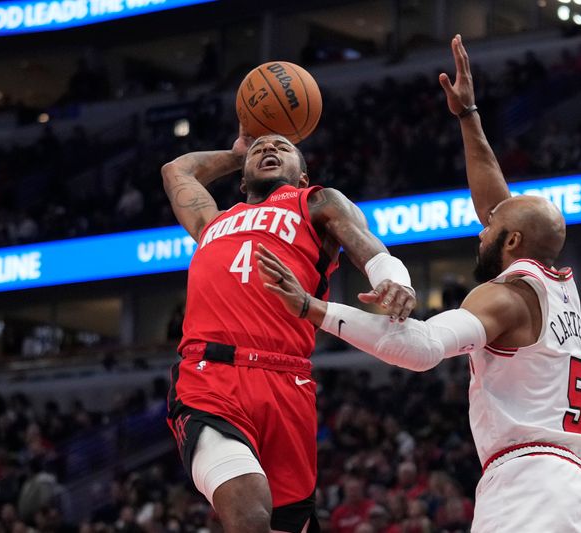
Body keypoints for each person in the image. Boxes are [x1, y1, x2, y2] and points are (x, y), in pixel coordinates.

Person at [255, 35, 581, 532]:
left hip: (530, 492)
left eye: (489, 228)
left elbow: (421, 348)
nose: (479, 226)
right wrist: (469, 116)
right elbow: (500, 209)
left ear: (510, 242)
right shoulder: (556, 280)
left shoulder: (506, 297)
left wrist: (315, 308)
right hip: (580, 494)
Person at [161, 119, 416, 531]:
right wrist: (237, 153)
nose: (269, 149)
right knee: (248, 509)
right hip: (211, 376)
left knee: (283, 523)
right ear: (242, 181)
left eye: (281, 145)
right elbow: (176, 171)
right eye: (261, 148)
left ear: (302, 174)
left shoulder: (315, 203)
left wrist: (396, 282)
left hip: (287, 381)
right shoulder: (212, 222)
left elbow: (368, 245)